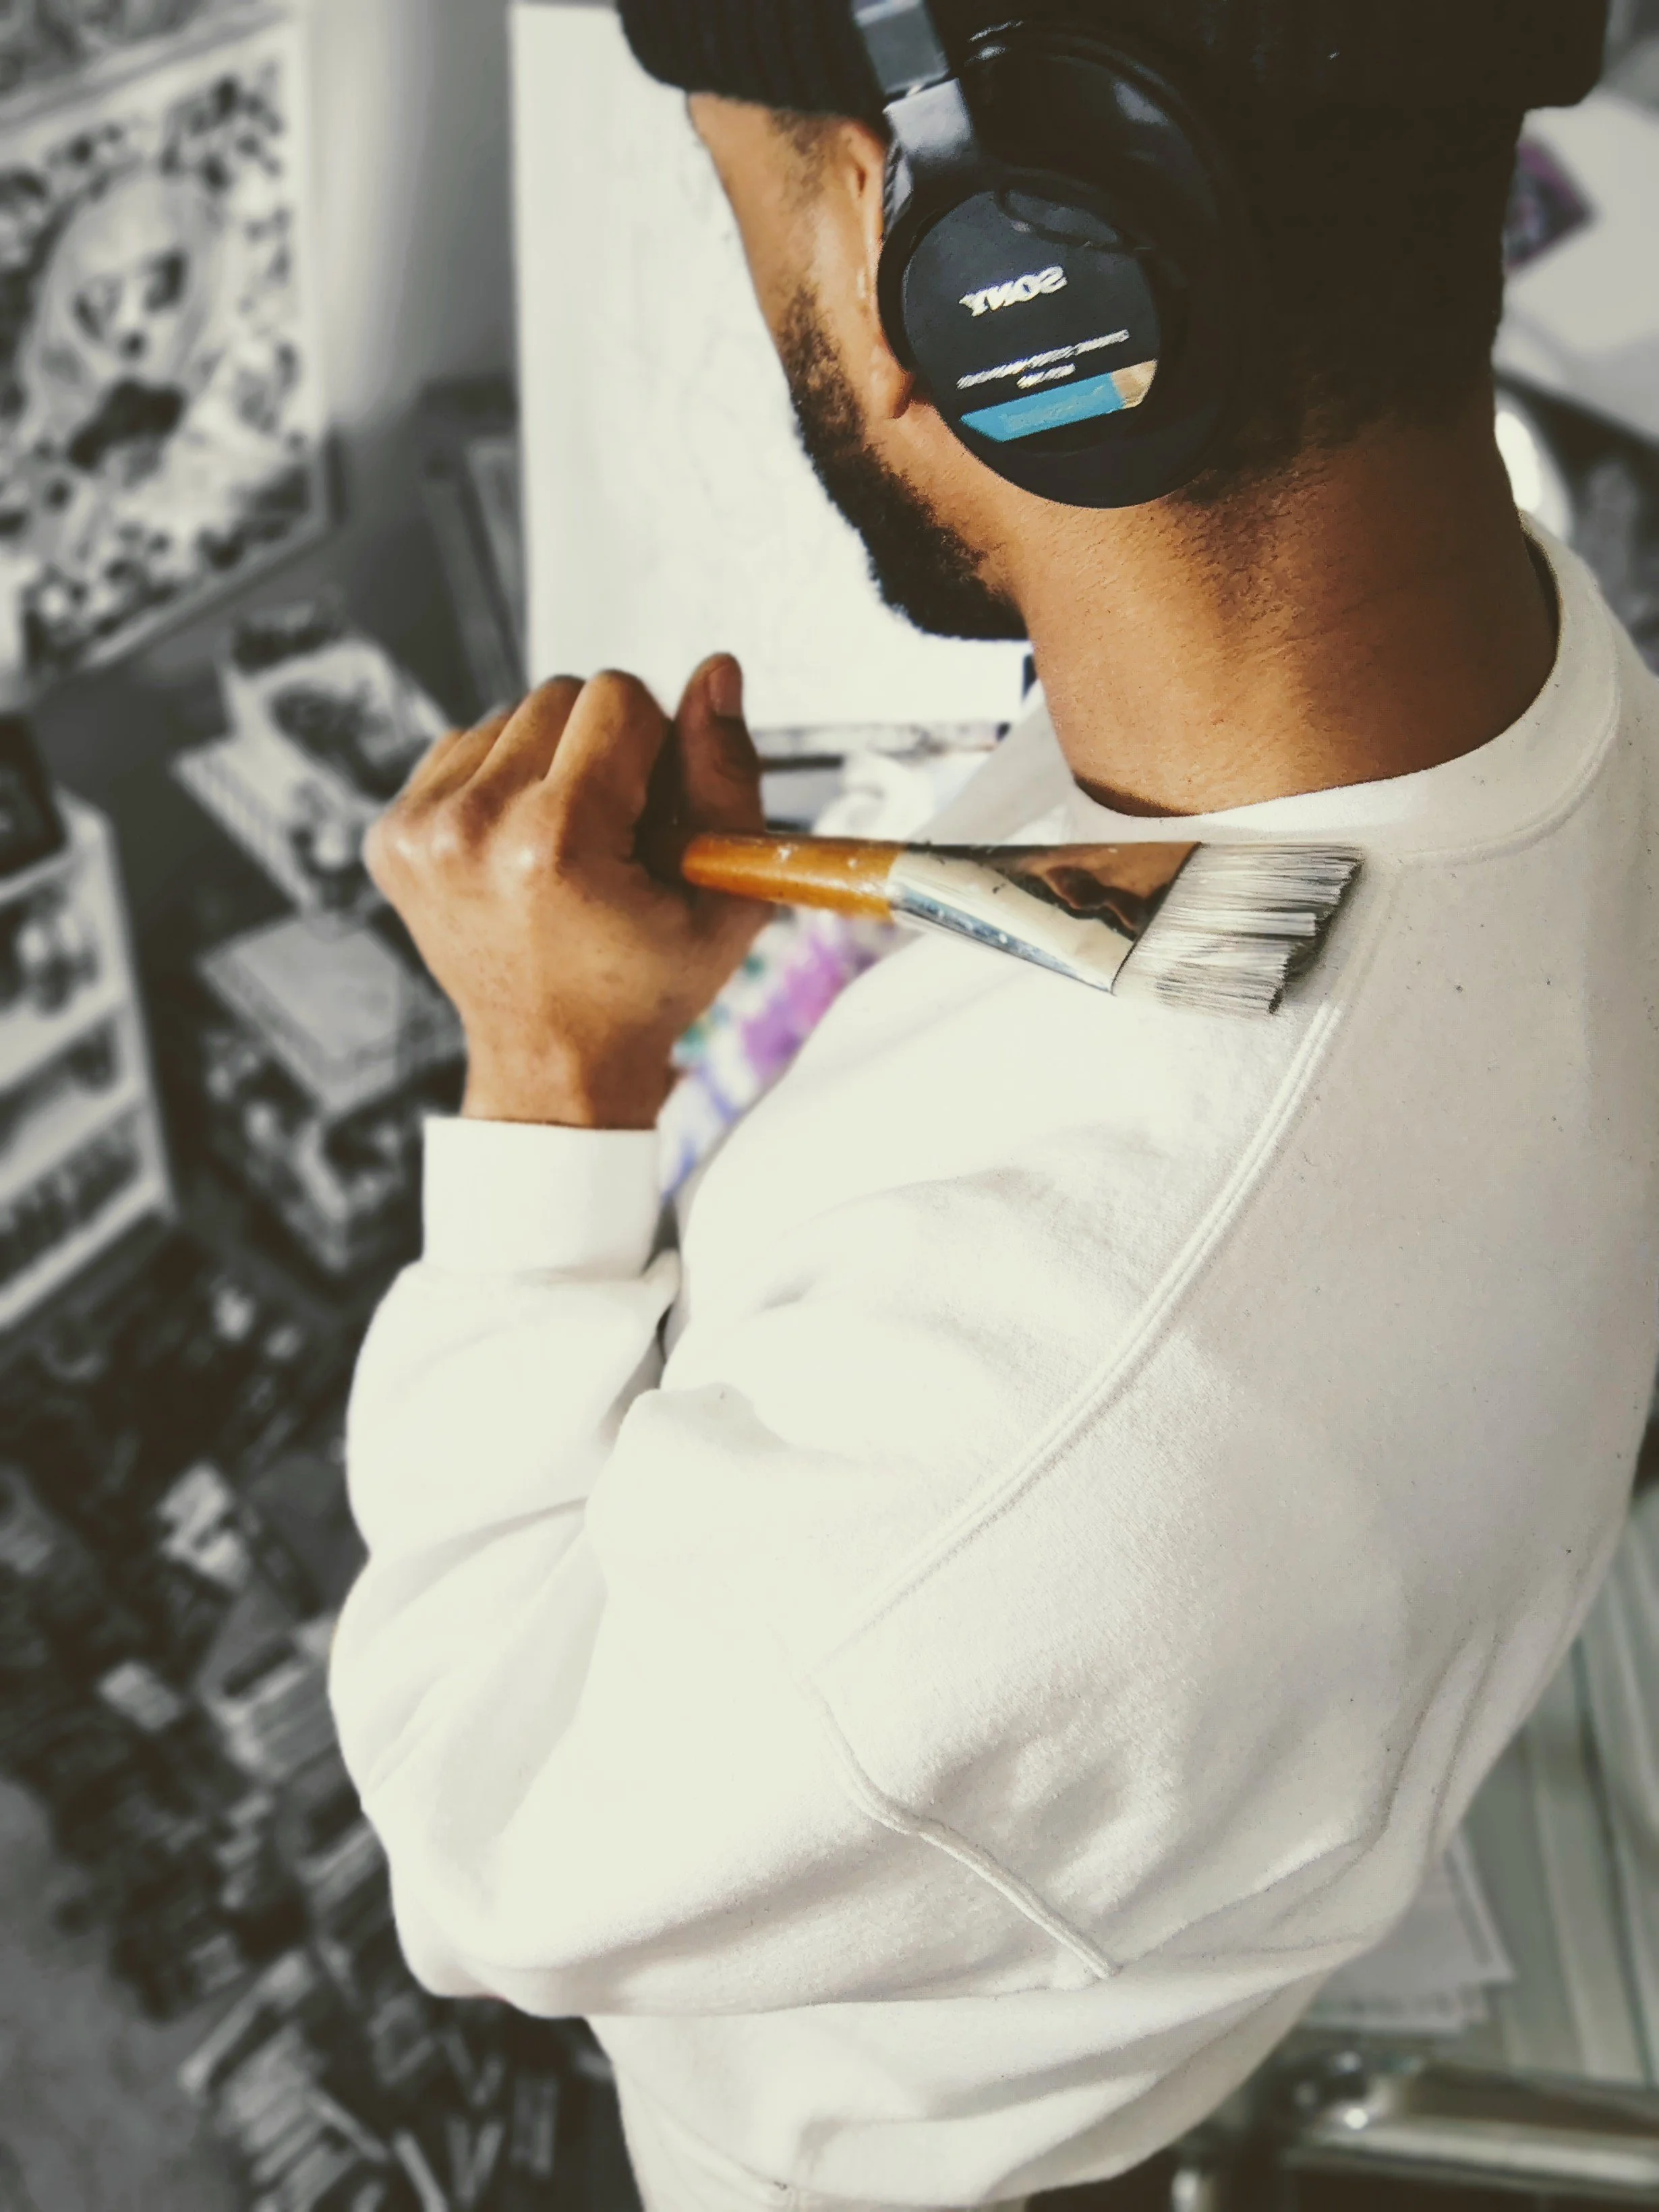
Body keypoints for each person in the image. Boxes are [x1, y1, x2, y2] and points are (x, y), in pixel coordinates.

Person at [329, 2, 1659, 2207]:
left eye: (750, 211)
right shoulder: (1522, 694)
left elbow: (485, 1850)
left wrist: (549, 1090)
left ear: (963, 257)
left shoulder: (1035, 1451)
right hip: (1109, 1919)